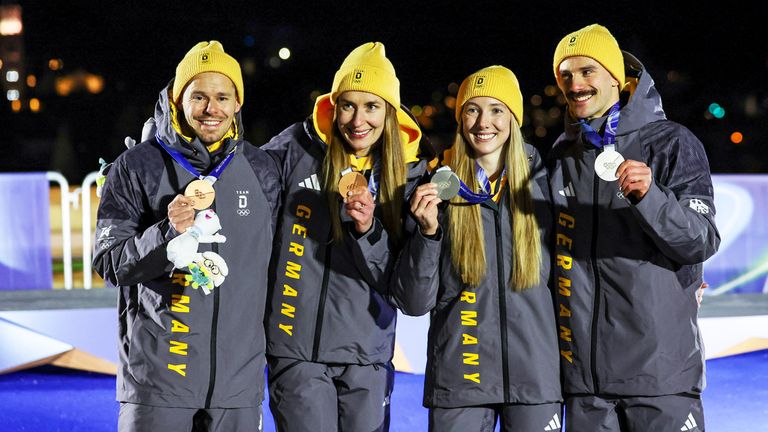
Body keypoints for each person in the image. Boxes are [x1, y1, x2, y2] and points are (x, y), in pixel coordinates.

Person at [93, 41, 280, 432]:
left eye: (222, 97)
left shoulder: (262, 169)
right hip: (158, 383)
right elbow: (109, 261)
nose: (212, 109)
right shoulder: (137, 166)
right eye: (199, 97)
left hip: (237, 388)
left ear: (237, 103)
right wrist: (166, 234)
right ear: (178, 100)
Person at [548, 24, 720, 431]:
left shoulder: (671, 142)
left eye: (587, 71)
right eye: (566, 75)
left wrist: (650, 197)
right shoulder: (562, 153)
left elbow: (700, 239)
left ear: (616, 77)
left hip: (659, 375)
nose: (575, 84)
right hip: (585, 383)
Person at [262, 42, 429, 431]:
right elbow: (237, 188)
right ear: (332, 107)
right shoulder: (294, 149)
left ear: (390, 112)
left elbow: (409, 291)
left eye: (372, 106)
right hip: (298, 352)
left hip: (367, 355)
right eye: (348, 105)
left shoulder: (409, 176)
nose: (358, 119)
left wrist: (369, 230)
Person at [392, 66, 562, 431]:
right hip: (460, 381)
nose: (484, 122)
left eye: (497, 109)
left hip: (535, 381)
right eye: (472, 110)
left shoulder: (545, 183)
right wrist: (428, 233)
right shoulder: (436, 187)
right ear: (460, 119)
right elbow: (414, 302)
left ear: (513, 118)